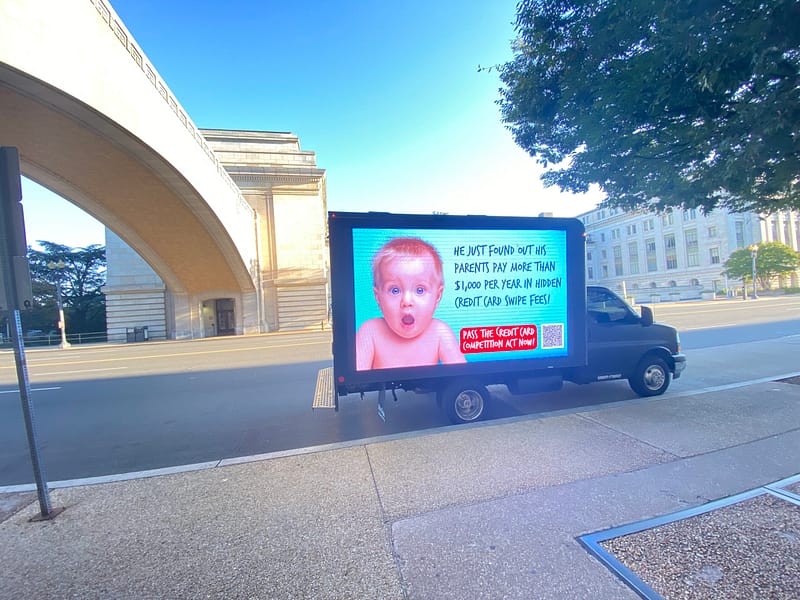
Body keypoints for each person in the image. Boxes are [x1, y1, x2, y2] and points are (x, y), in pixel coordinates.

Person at [356, 237, 466, 370]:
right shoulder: (371, 331)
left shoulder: (439, 332)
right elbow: (358, 370)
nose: (407, 301)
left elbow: (461, 372)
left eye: (420, 290)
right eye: (395, 290)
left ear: (437, 296)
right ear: (378, 297)